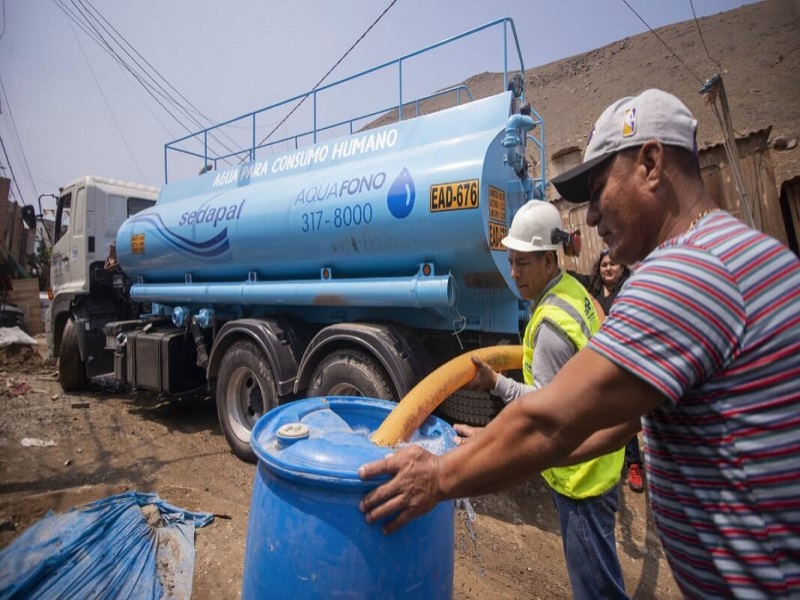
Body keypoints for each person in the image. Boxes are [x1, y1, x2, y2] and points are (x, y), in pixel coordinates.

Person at [358, 89, 800, 598]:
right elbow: (618, 420)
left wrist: (437, 476)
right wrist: (495, 444)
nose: (588, 218)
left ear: (651, 164)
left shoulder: (684, 274)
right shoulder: (732, 250)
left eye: (597, 189)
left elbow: (550, 419)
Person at [456, 200, 628, 599]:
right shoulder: (573, 292)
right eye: (511, 262)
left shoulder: (550, 328)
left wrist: (489, 431)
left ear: (550, 262)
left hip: (580, 479)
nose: (513, 273)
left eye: (524, 263)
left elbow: (544, 415)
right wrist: (498, 380)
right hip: (600, 465)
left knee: (598, 591)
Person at [585, 249, 644, 493]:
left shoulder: (630, 291)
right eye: (604, 265)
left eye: (613, 264)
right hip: (598, 358)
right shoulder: (594, 292)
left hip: (622, 359)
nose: (608, 268)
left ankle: (633, 464)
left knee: (622, 413)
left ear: (622, 267)